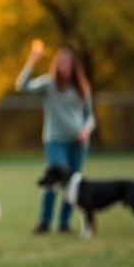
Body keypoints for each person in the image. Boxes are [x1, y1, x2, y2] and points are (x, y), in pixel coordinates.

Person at [16, 39, 95, 234]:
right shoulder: (49, 84)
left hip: (78, 142)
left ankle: (64, 223)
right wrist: (33, 59)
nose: (63, 65)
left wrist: (86, 130)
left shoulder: (82, 87)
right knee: (52, 179)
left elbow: (90, 116)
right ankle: (44, 221)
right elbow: (21, 86)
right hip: (55, 141)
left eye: (67, 61)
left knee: (72, 183)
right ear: (56, 64)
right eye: (60, 61)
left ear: (73, 64)